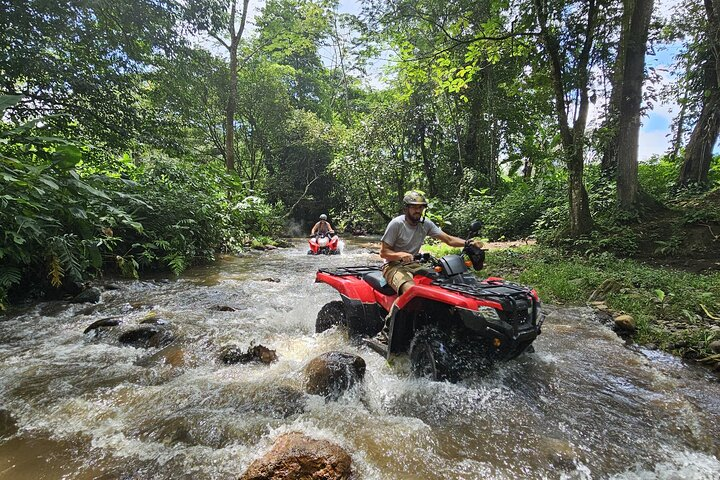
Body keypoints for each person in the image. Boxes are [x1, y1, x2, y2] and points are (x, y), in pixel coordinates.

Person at [375, 190, 484, 342]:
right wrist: (400, 255)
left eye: (420, 207)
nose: (417, 210)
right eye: (414, 207)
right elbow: (383, 252)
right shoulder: (397, 224)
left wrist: (468, 243)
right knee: (410, 291)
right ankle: (386, 332)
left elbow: (448, 240)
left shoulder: (426, 224)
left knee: (441, 283)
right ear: (406, 208)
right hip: (393, 266)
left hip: (413, 264)